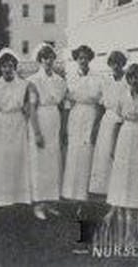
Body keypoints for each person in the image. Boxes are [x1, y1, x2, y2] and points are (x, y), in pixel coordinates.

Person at [106, 63, 138, 242]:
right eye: (131, 77)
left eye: (137, 77)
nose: (134, 80)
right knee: (124, 173)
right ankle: (125, 229)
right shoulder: (122, 96)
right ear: (127, 79)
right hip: (125, 136)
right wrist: (112, 145)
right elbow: (117, 122)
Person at [27, 44, 67, 219]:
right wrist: (36, 132)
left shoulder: (60, 81)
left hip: (54, 119)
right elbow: (31, 108)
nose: (48, 61)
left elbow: (63, 104)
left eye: (51, 57)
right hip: (40, 118)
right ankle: (38, 203)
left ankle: (50, 200)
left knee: (52, 161)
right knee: (39, 162)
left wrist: (62, 130)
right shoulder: (33, 80)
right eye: (45, 58)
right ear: (40, 60)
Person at [0, 48, 33, 207]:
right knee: (3, 159)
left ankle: (19, 196)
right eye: (4, 66)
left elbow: (28, 108)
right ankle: (3, 197)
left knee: (18, 158)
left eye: (10, 65)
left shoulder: (24, 85)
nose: (7, 69)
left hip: (18, 124)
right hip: (1, 124)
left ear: (14, 66)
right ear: (0, 68)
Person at [62, 45, 102, 204]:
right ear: (76, 60)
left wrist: (96, 125)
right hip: (75, 115)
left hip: (90, 115)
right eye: (80, 58)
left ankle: (84, 193)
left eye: (86, 57)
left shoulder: (97, 77)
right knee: (74, 151)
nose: (83, 60)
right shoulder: (70, 77)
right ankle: (70, 193)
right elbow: (66, 103)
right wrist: (64, 126)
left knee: (87, 151)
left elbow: (100, 103)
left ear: (90, 59)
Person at [91, 49, 129, 197]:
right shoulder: (105, 81)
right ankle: (103, 189)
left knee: (118, 153)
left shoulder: (128, 80)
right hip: (107, 119)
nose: (116, 66)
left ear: (123, 64)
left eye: (119, 63)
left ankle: (118, 189)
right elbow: (100, 106)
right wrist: (96, 125)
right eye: (113, 63)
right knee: (105, 153)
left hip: (122, 120)